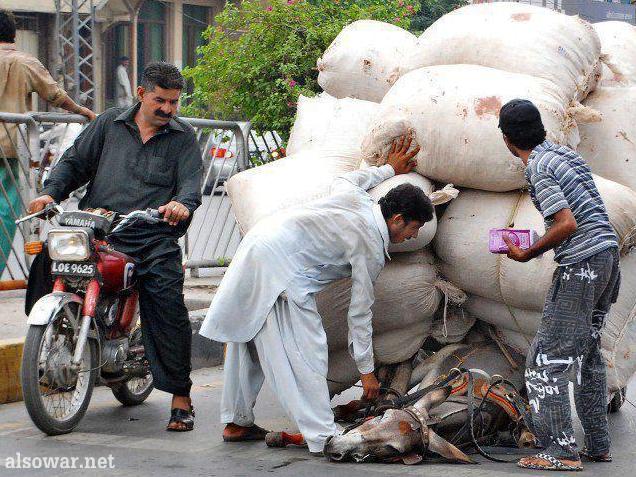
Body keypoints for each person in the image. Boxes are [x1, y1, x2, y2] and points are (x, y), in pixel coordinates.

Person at [199, 136, 433, 455]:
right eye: (413, 228)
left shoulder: (356, 198)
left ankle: (237, 422)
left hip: (258, 244)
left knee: (247, 338)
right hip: (283, 269)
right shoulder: (370, 244)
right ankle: (322, 434)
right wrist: (366, 373)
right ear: (396, 219)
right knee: (309, 349)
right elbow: (360, 312)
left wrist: (389, 168)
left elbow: (349, 178)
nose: (413, 236)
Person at [27, 62, 203, 432]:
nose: (168, 109)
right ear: (141, 94)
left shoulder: (183, 137)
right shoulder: (108, 124)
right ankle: (46, 344)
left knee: (168, 307)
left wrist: (181, 204)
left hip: (152, 235)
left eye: (174, 102)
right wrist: (48, 193)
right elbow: (73, 163)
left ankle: (180, 397)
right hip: (99, 227)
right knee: (47, 259)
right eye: (161, 100)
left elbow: (190, 184)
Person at [498, 99, 620, 472]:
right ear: (541, 129)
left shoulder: (538, 166)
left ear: (506, 139)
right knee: (587, 354)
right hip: (607, 257)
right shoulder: (565, 156)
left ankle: (559, 451)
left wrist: (529, 252)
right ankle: (598, 444)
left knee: (544, 361)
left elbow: (567, 224)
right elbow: (583, 214)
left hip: (581, 264)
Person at [0, 8, 95, 276]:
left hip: (10, 151)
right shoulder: (24, 62)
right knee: (6, 212)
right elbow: (54, 94)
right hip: (10, 150)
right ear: (13, 33)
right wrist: (82, 111)